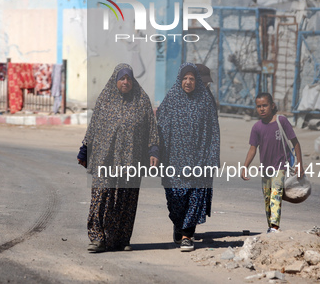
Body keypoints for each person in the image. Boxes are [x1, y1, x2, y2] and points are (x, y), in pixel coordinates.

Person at [77, 64, 159, 253]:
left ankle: (121, 239)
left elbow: (151, 129)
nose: (126, 82)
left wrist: (153, 151)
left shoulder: (141, 100)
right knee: (101, 195)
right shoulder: (105, 99)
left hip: (132, 159)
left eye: (129, 79)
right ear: (115, 80)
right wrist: (84, 150)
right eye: (122, 79)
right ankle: (97, 238)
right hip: (104, 158)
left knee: (126, 199)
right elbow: (94, 126)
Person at [157, 63, 220, 252]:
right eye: (185, 78)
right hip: (173, 160)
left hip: (198, 159)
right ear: (179, 79)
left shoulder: (205, 101)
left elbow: (214, 131)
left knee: (194, 197)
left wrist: (212, 157)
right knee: (175, 198)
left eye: (192, 79)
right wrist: (156, 153)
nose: (188, 82)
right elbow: (159, 126)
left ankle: (187, 235)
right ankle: (178, 223)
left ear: (197, 81)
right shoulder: (172, 98)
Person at [241, 92, 303, 233]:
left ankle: (275, 227)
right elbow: (252, 149)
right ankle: (271, 227)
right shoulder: (256, 127)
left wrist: (300, 164)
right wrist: (245, 167)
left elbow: (295, 143)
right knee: (268, 199)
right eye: (259, 106)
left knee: (276, 195)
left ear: (272, 105)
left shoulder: (282, 121)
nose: (262, 109)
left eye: (265, 105)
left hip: (280, 167)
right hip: (265, 169)